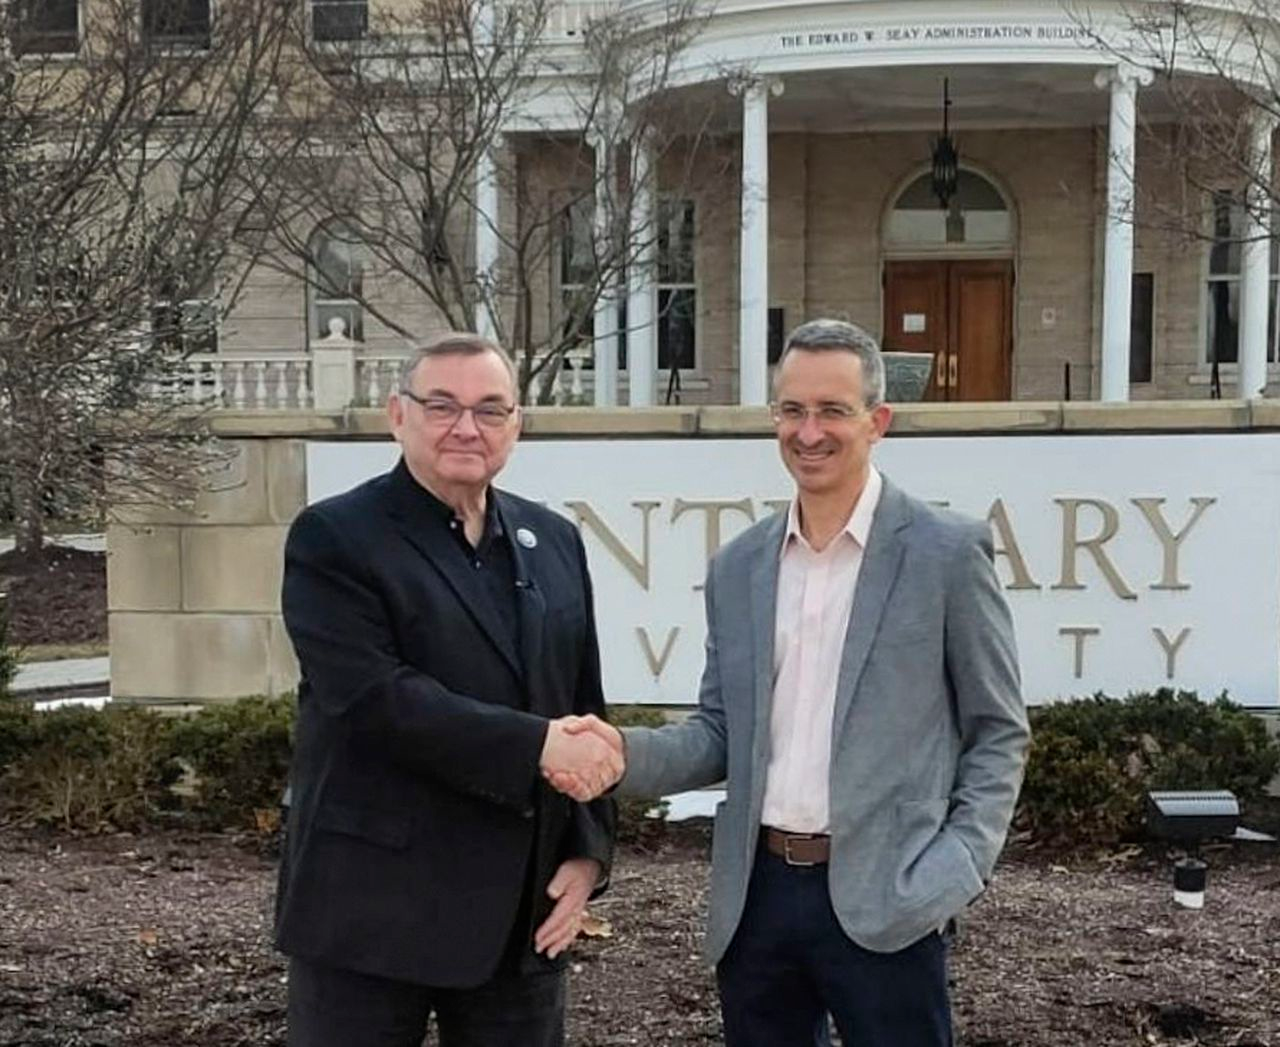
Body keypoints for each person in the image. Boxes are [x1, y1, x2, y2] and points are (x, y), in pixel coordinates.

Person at [551, 318, 1030, 1047]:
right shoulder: (740, 566)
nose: (810, 432)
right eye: (792, 410)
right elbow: (718, 733)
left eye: (833, 410)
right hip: (759, 899)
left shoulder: (947, 553)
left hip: (892, 896)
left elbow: (998, 730)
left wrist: (955, 868)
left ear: (879, 421)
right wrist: (620, 750)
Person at [277, 333, 620, 1047]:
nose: (467, 427)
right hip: (368, 917)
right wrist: (537, 744)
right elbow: (374, 700)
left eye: (490, 409)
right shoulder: (334, 537)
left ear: (516, 424)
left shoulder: (553, 539)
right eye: (443, 405)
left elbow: (581, 701)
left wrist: (588, 851)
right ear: (396, 415)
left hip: (518, 922)